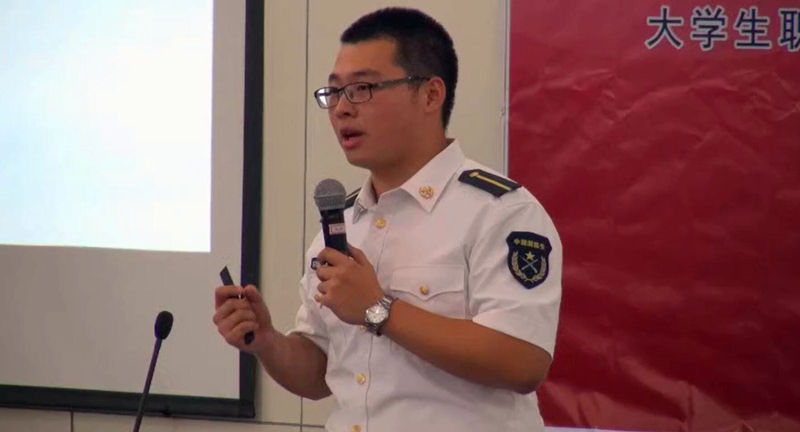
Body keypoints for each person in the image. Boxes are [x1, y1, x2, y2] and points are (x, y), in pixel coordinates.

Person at [213, 7, 562, 432]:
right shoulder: (341, 222)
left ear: (430, 95)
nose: (341, 109)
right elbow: (320, 373)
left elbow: (523, 362)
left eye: (362, 88)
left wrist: (378, 310)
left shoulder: (500, 212)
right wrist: (267, 341)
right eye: (333, 92)